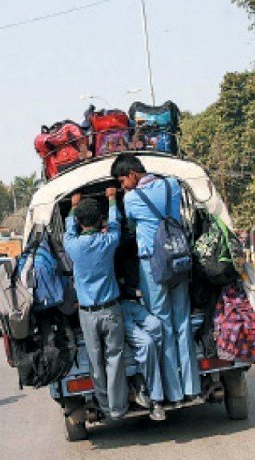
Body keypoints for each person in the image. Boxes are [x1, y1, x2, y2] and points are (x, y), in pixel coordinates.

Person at [111, 152, 199, 405]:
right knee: (182, 321)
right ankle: (191, 385)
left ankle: (173, 392)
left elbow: (128, 228)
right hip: (179, 260)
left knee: (163, 324)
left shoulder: (131, 199)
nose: (122, 186)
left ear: (133, 175)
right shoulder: (171, 184)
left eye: (122, 180)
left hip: (153, 265)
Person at [63, 188, 129, 420]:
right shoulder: (108, 241)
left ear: (80, 222)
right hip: (111, 309)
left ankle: (103, 403)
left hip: (87, 314)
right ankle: (118, 407)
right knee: (115, 359)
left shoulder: (72, 245)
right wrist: (112, 199)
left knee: (96, 361)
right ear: (99, 219)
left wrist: (73, 205)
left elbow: (68, 229)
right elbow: (115, 224)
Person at [120, 291, 166, 421]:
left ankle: (142, 378)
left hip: (131, 303)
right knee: (147, 343)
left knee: (156, 325)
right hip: (115, 308)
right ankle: (155, 399)